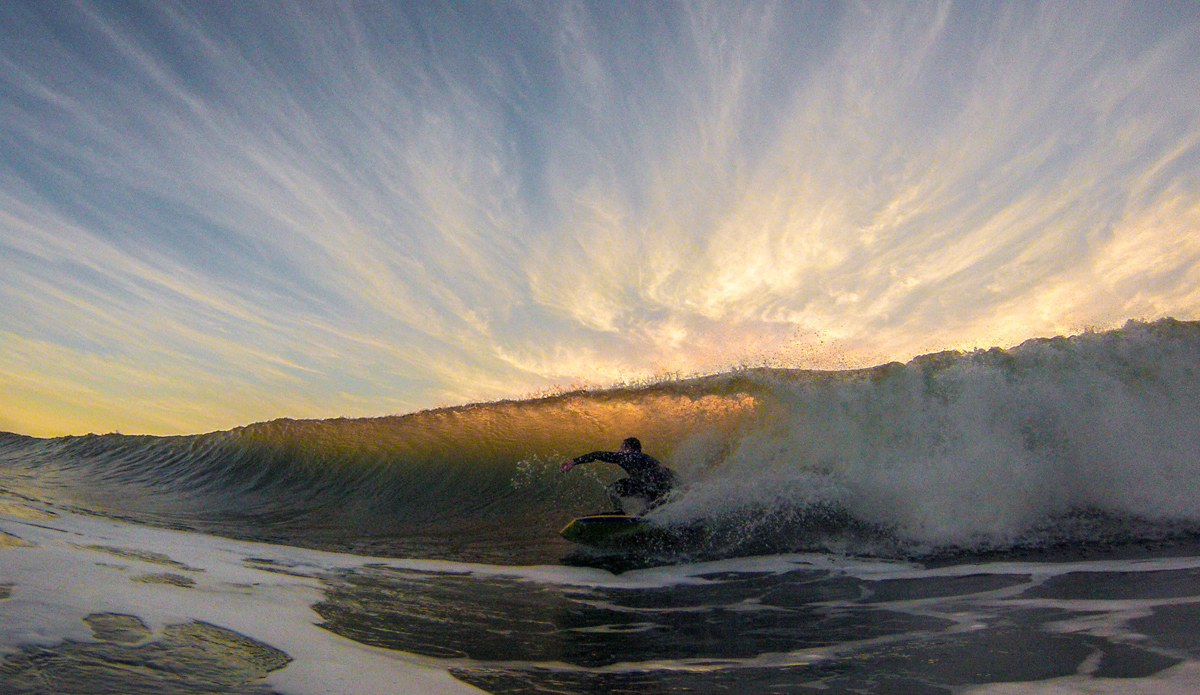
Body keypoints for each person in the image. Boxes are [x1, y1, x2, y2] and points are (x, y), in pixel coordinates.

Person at [561, 437, 676, 514]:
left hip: (647, 485)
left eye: (621, 448)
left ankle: (618, 513)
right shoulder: (651, 459)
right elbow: (669, 473)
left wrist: (574, 461)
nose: (619, 451)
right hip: (660, 489)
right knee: (650, 505)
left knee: (612, 489)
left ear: (627, 448)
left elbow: (598, 455)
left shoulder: (627, 456)